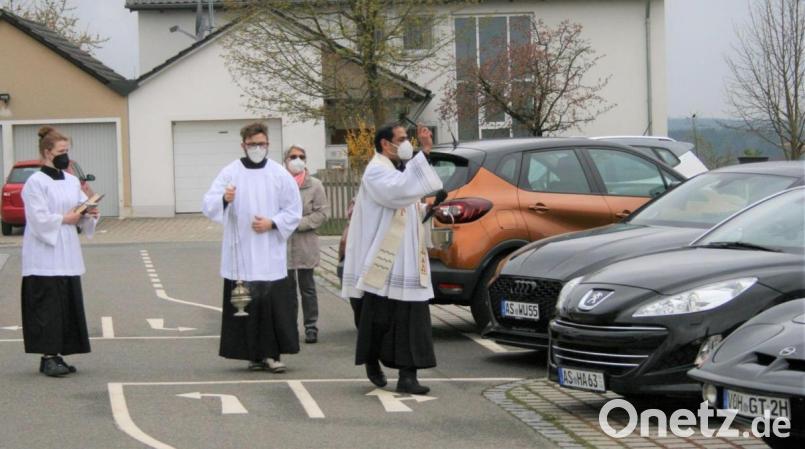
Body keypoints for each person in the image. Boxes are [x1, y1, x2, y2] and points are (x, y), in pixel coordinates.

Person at [341, 123, 443, 394]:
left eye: (407, 138)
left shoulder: (397, 170)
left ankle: (408, 377)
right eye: (402, 139)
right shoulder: (376, 170)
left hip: (408, 257)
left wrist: (427, 208)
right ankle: (372, 358)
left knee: (413, 319)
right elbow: (398, 193)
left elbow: (407, 203)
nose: (407, 143)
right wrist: (425, 152)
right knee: (380, 318)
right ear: (385, 144)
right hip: (384, 259)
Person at [202, 122, 302, 373]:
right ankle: (252, 354)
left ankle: (272, 354)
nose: (257, 148)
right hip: (241, 252)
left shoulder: (279, 174)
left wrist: (273, 223)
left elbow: (293, 209)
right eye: (252, 144)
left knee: (271, 306)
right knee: (245, 305)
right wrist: (224, 199)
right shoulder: (230, 173)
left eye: (261, 144)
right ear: (243, 145)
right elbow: (209, 203)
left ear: (268, 144)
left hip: (269, 251)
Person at [20, 126, 99, 377]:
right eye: (61, 151)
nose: (66, 156)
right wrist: (66, 218)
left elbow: (79, 208)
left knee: (66, 302)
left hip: (67, 250)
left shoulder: (72, 180)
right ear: (47, 152)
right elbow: (38, 218)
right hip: (44, 252)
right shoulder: (35, 182)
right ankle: (48, 357)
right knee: (47, 307)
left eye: (67, 151)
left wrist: (89, 212)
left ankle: (60, 353)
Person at [284, 145, 330, 344]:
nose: (297, 160)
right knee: (287, 290)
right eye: (293, 156)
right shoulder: (279, 182)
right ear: (285, 160)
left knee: (308, 288)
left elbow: (323, 213)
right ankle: (289, 327)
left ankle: (311, 326)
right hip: (283, 244)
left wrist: (298, 223)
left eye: (301, 156)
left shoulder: (315, 185)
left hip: (305, 242)